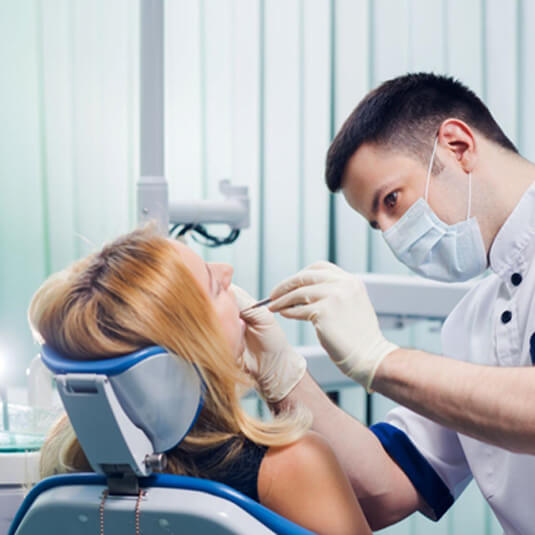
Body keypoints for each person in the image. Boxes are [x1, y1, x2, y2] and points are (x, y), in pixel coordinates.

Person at [237, 73, 535, 533]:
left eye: (392, 201)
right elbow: (386, 487)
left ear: (458, 146)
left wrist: (380, 360)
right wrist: (282, 374)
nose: (395, 235)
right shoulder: (471, 325)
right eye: (378, 224)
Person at [29, 226, 371, 535]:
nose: (228, 272)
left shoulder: (61, 474)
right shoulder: (292, 465)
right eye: (214, 285)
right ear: (194, 346)